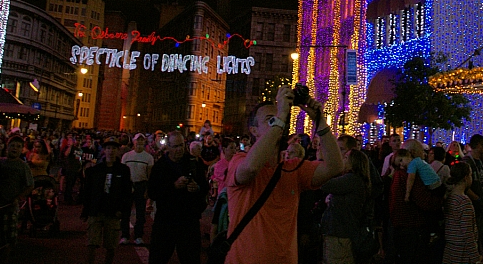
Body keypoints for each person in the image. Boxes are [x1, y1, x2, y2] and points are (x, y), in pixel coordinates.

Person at [225, 85, 344, 264]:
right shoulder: (239, 160)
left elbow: (335, 166)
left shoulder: (293, 168)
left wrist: (319, 121)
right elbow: (250, 169)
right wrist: (281, 115)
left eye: (280, 118)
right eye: (269, 120)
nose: (279, 123)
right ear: (254, 131)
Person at [148, 130, 209, 264]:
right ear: (168, 147)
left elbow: (205, 187)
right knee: (158, 257)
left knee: (191, 258)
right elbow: (152, 192)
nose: (179, 149)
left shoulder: (193, 163)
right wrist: (173, 186)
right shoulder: (160, 166)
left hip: (188, 220)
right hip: (166, 220)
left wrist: (197, 188)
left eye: (181, 145)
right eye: (175, 146)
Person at [82, 137, 134, 264]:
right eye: (108, 148)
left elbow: (127, 192)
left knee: (111, 246)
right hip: (96, 210)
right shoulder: (96, 170)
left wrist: (123, 210)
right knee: (91, 243)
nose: (111, 151)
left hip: (113, 211)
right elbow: (88, 191)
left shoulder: (123, 170)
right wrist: (86, 210)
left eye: (114, 148)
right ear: (104, 150)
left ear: (117, 150)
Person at [320, 145, 373, 264]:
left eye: (345, 157)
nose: (342, 159)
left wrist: (322, 163)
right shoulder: (354, 180)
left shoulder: (352, 179)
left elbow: (325, 183)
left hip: (340, 234)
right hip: (340, 232)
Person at [0, 135, 35, 259]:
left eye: (18, 146)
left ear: (22, 149)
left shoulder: (22, 166)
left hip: (10, 205)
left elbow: (30, 185)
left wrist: (18, 197)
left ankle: (6, 257)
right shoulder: (0, 162)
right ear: (7, 147)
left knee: (8, 236)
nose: (14, 148)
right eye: (12, 145)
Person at [463, 134, 483, 263]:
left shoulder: (480, 162)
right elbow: (463, 183)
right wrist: (476, 198)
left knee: (482, 233)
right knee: (475, 233)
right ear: (477, 146)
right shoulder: (467, 162)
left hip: (482, 203)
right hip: (474, 203)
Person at [443, 163, 480, 264]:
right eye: (470, 175)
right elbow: (467, 232)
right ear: (465, 177)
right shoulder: (464, 202)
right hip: (462, 249)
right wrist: (474, 256)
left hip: (451, 245)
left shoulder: (450, 196)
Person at [121, 132, 154, 245]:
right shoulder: (126, 156)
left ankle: (138, 235)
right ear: (133, 142)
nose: (139, 142)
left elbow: (149, 175)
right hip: (129, 185)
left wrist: (147, 190)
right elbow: (123, 173)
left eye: (141, 140)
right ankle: (125, 235)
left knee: (140, 213)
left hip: (141, 185)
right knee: (125, 212)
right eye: (137, 140)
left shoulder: (148, 157)